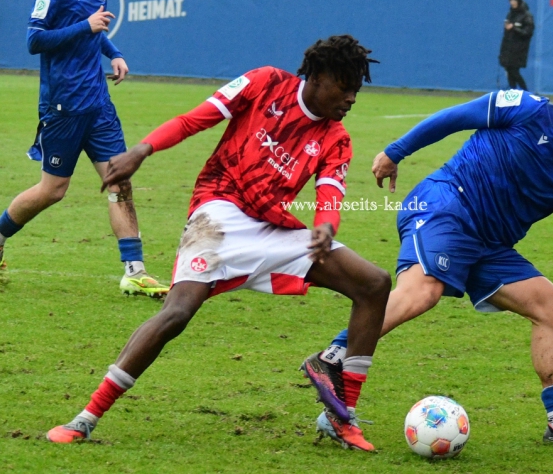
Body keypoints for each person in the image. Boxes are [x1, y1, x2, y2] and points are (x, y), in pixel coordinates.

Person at [45, 35, 392, 452]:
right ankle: (86, 417)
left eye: (357, 88)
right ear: (317, 77)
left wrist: (326, 227)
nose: (352, 97)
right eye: (346, 85)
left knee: (373, 283)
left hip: (272, 227)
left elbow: (330, 190)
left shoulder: (336, 137)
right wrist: (142, 149)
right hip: (220, 211)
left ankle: (342, 415)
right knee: (177, 313)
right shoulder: (264, 83)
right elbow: (197, 118)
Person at [314, 76, 553, 449]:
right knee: (423, 291)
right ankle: (334, 357)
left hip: (489, 244)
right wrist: (395, 151)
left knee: (551, 307)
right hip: (446, 205)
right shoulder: (526, 107)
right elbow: (454, 117)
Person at [0, 0, 169, 297]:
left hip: (98, 103)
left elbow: (96, 31)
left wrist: (114, 53)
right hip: (62, 105)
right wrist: (87, 27)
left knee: (119, 180)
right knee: (54, 190)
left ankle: (134, 269)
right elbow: (35, 41)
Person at [499, 0, 535, 91]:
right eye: (511, 0)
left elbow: (528, 32)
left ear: (519, 0)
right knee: (509, 70)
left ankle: (526, 92)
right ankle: (513, 93)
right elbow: (506, 35)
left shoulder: (526, 16)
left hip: (519, 50)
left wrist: (514, 28)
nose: (512, 2)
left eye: (514, 0)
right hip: (508, 49)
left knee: (514, 71)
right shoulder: (510, 14)